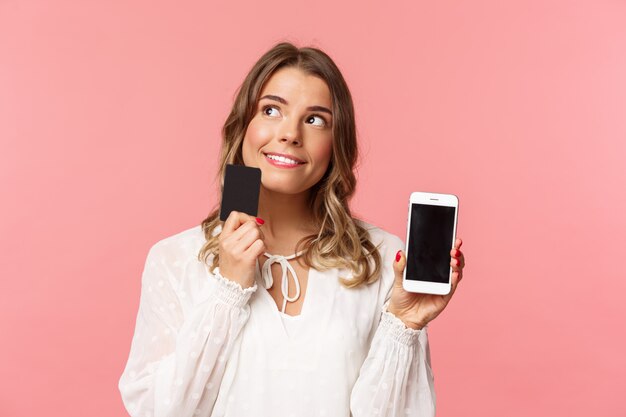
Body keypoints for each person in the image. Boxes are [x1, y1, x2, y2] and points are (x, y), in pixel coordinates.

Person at [118, 42, 466, 417]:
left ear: (337, 144)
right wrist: (228, 289)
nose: (290, 133)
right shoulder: (174, 260)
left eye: (315, 119)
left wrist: (404, 324)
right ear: (243, 127)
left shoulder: (381, 258)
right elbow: (160, 411)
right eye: (271, 110)